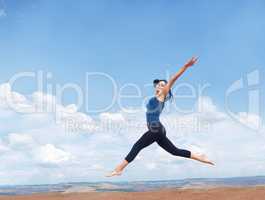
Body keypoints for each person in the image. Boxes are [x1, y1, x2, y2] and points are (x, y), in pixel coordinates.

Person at [106, 57, 214, 177]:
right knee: (174, 151)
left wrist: (186, 66)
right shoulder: (155, 97)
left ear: (165, 89)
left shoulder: (162, 95)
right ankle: (200, 157)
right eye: (158, 84)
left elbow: (173, 79)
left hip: (156, 128)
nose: (159, 86)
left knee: (137, 146)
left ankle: (119, 169)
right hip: (157, 129)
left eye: (163, 85)